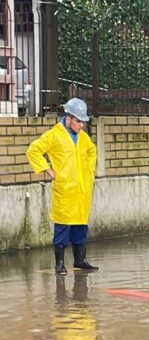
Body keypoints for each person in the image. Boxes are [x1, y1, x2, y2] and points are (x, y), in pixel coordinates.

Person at [27, 98, 99, 276]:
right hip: (65, 189)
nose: (81, 125)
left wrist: (89, 171)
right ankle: (59, 263)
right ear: (68, 118)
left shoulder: (84, 138)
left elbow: (92, 151)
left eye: (83, 121)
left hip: (82, 190)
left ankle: (80, 260)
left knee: (80, 226)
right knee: (63, 227)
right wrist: (47, 170)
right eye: (78, 121)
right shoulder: (54, 135)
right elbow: (33, 150)